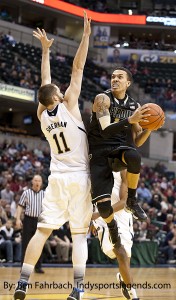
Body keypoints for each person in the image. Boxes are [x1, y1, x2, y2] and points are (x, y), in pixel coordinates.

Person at [13, 11, 92, 300]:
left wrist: (45, 51)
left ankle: (22, 282)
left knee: (42, 232)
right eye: (60, 91)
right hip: (79, 178)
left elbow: (45, 83)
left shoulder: (41, 113)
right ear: (59, 97)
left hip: (55, 179)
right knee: (79, 235)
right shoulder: (70, 104)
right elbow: (78, 67)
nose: (62, 89)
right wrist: (85, 37)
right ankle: (77, 288)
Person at [88, 66, 152, 285]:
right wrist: (131, 119)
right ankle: (109, 228)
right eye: (113, 76)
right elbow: (105, 130)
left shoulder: (134, 106)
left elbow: (137, 140)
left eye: (120, 77)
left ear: (128, 83)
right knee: (104, 208)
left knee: (134, 156)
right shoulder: (102, 99)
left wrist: (150, 127)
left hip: (118, 151)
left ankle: (132, 201)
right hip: (99, 151)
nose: (115, 79)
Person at [92, 170, 139, 299]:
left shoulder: (122, 169)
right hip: (102, 217)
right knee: (119, 253)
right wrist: (92, 219)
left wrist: (99, 214)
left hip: (121, 213)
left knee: (125, 256)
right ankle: (133, 293)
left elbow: (123, 201)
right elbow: (90, 194)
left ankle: (127, 285)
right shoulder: (97, 164)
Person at [15, 174, 45, 273]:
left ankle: (38, 267)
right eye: (35, 180)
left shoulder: (44, 194)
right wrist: (18, 219)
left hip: (39, 221)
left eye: (39, 181)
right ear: (32, 182)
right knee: (26, 244)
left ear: (41, 183)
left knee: (39, 244)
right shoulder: (26, 193)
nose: (37, 182)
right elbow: (20, 206)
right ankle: (24, 267)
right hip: (28, 220)